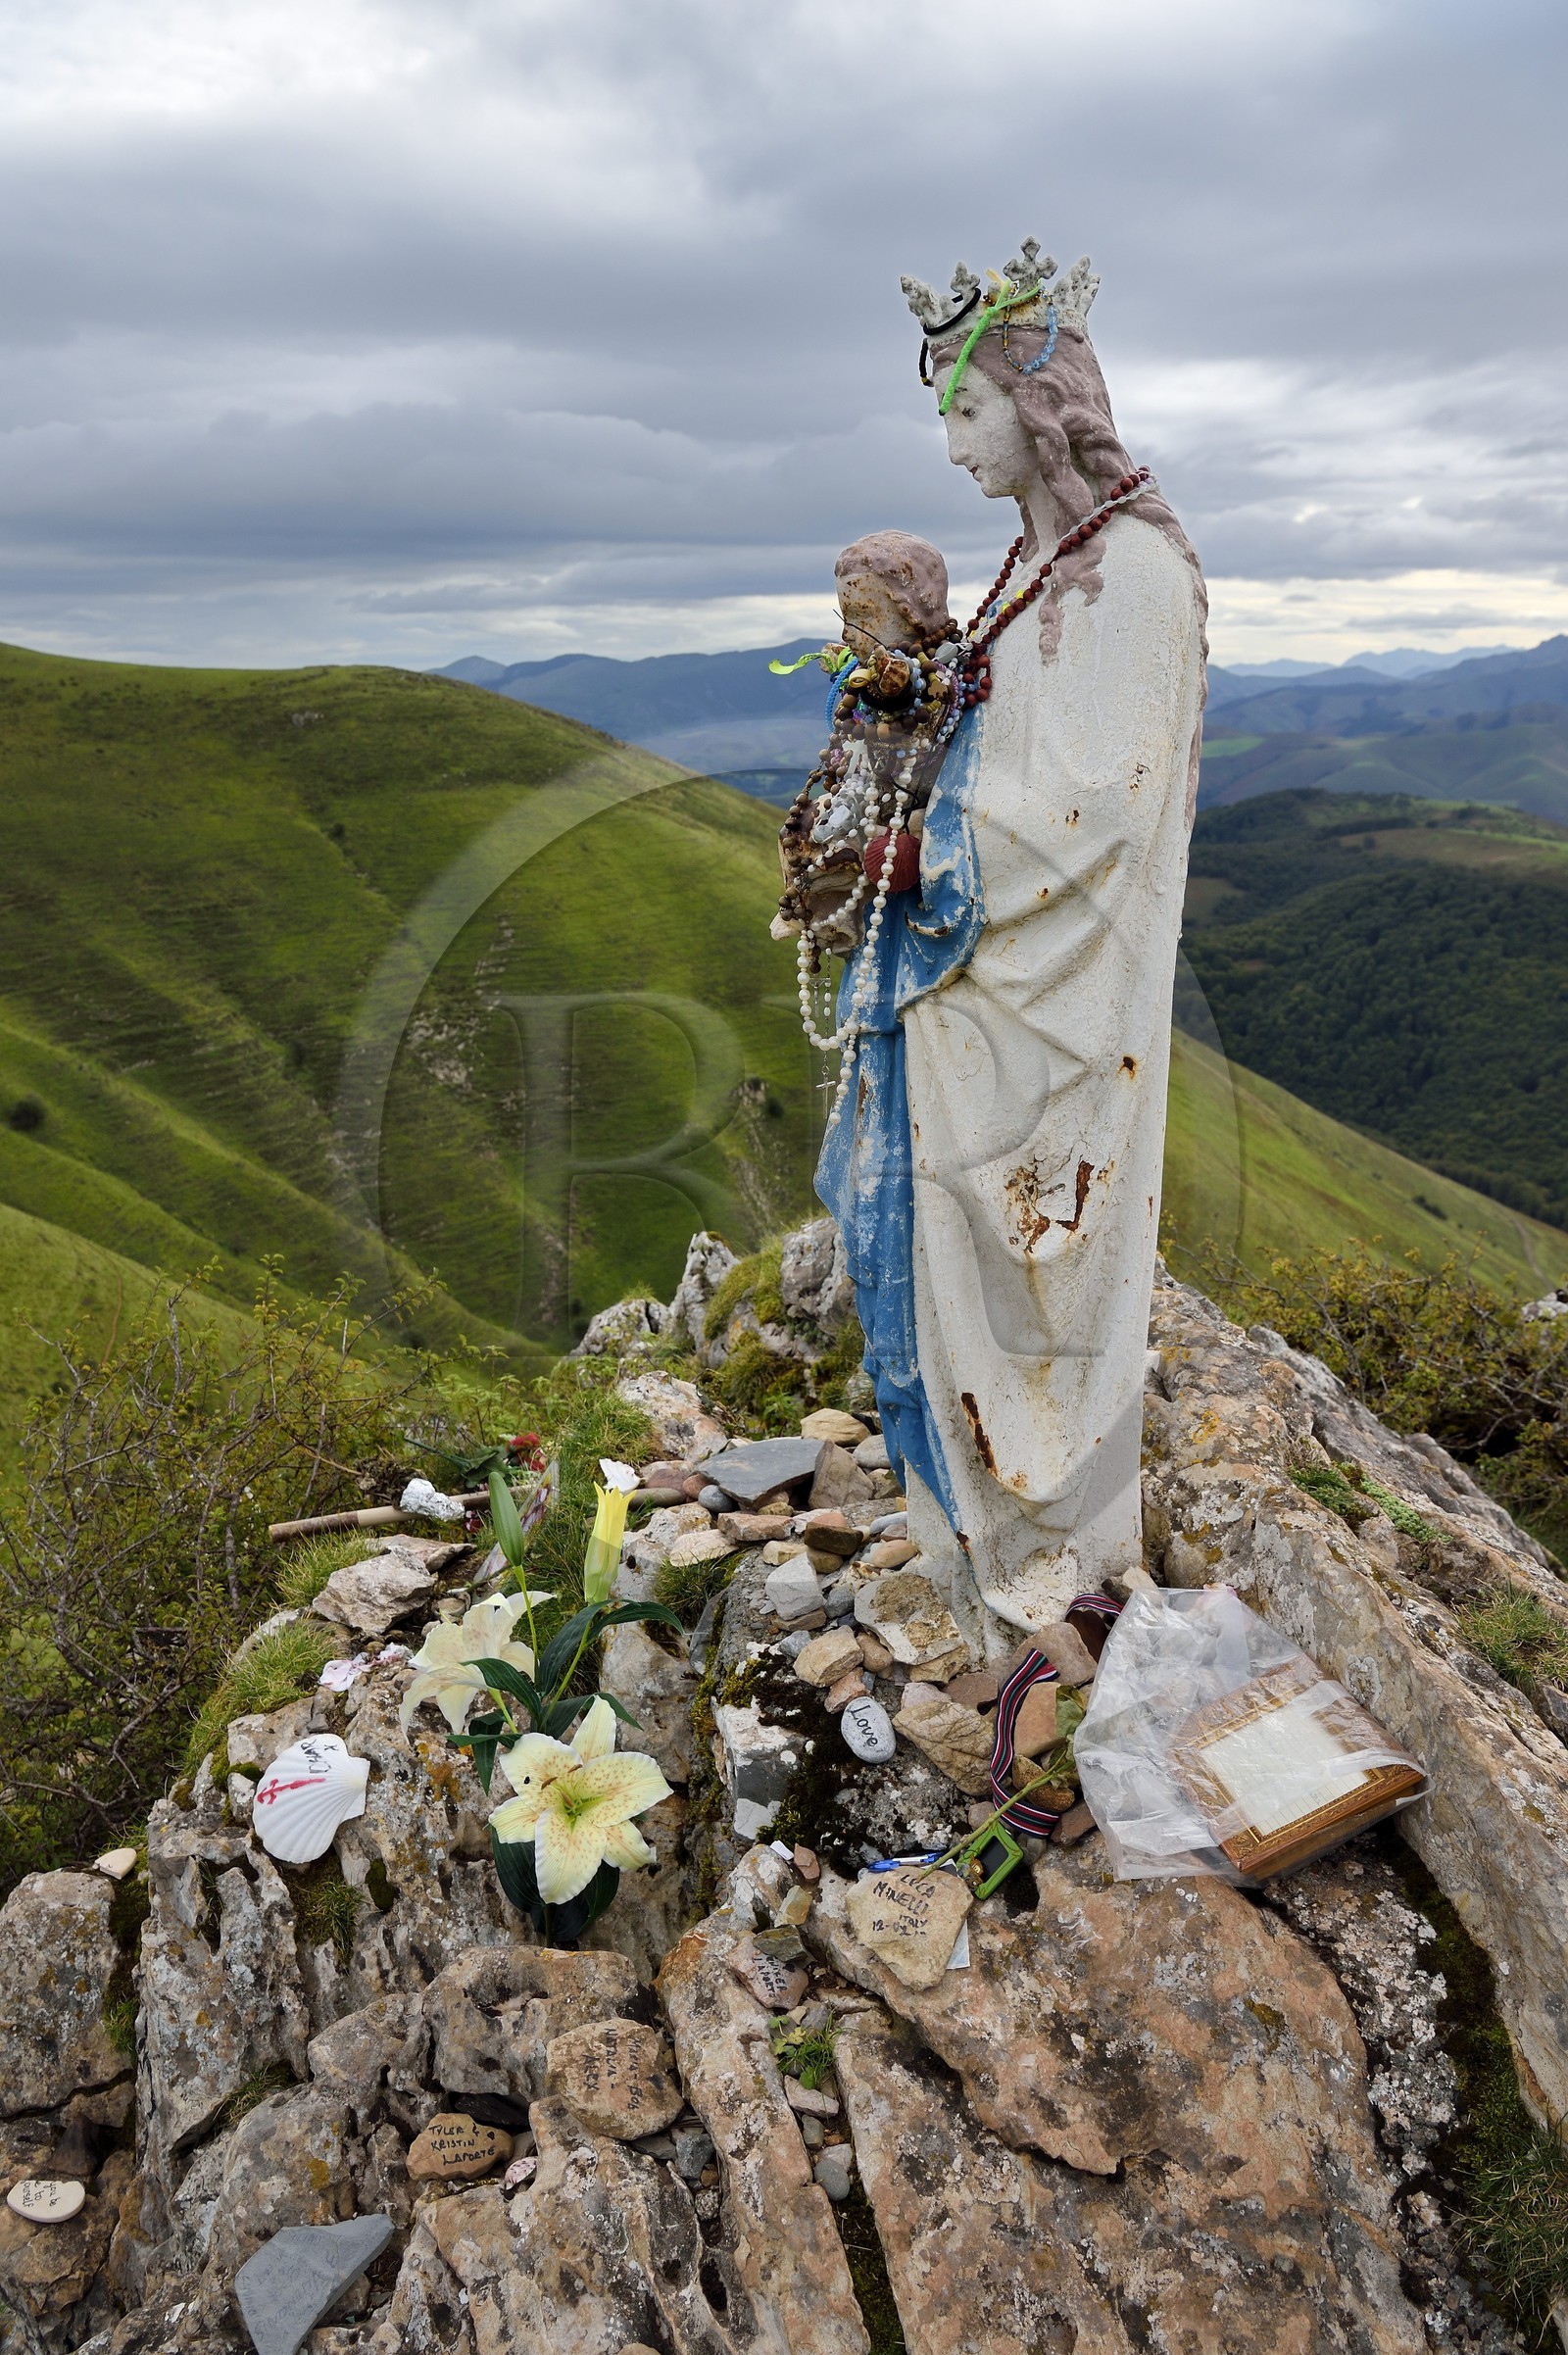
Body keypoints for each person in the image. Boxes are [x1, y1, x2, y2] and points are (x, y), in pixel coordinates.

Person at [817, 240, 1207, 1653]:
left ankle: (1050, 1571)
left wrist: (922, 853)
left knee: (1039, 1264)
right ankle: (969, 1540)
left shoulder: (1134, 575)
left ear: (1042, 409)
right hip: (972, 981)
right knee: (938, 1257)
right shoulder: (1030, 568)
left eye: (968, 412)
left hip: (1053, 1002)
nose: (953, 445)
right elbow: (994, 745)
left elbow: (1099, 808)